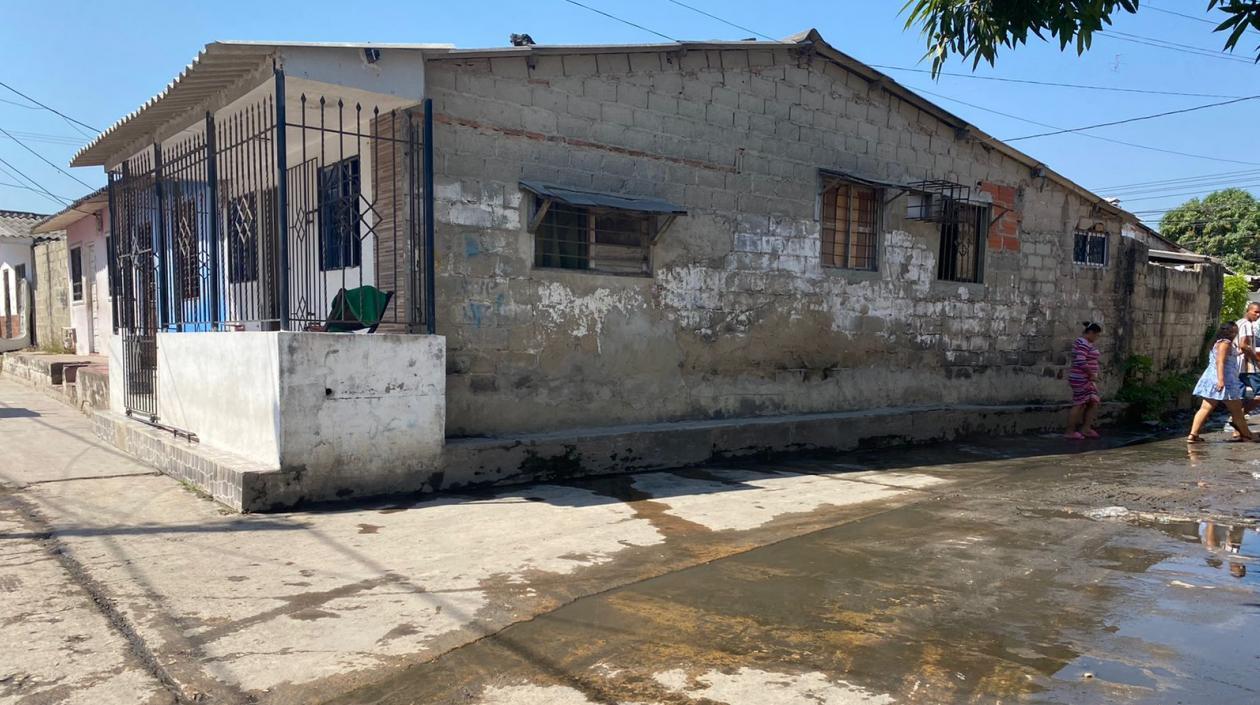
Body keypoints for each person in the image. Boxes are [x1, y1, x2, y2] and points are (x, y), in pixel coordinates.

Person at [1188, 321, 1254, 443]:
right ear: (1227, 332)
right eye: (1233, 331)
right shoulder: (1225, 343)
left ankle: (1193, 435)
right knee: (1237, 411)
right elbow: (1220, 362)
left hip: (1214, 379)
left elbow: (1227, 357)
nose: (1234, 334)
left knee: (1205, 408)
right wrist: (1221, 380)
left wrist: (1242, 351)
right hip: (1225, 381)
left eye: (1235, 332)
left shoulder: (1219, 343)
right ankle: (1247, 435)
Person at [1065, 322, 1103, 440]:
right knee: (1079, 403)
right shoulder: (1083, 343)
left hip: (1087, 379)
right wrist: (1091, 374)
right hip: (1081, 378)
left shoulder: (1086, 343)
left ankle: (1086, 429)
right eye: (1096, 335)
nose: (1097, 338)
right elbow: (1080, 361)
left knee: (1093, 401)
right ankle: (1070, 431)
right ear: (1091, 333)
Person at [1236, 302, 1260, 413]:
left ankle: (1237, 418)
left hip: (1237, 366)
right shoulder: (1247, 325)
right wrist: (1257, 359)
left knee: (1239, 395)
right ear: (1248, 311)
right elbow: (1243, 345)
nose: (1258, 315)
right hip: (1248, 367)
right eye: (1256, 312)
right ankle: (1240, 415)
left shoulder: (1239, 323)